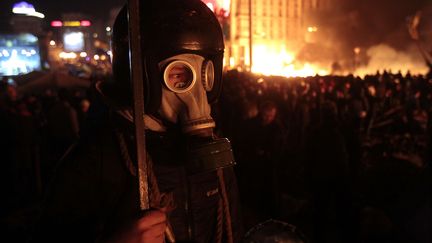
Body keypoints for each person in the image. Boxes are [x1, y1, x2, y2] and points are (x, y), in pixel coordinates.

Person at [30, 0, 243, 242]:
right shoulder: (95, 159)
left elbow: (230, 227)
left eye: (205, 75)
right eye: (179, 76)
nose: (196, 96)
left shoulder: (212, 157)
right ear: (141, 75)